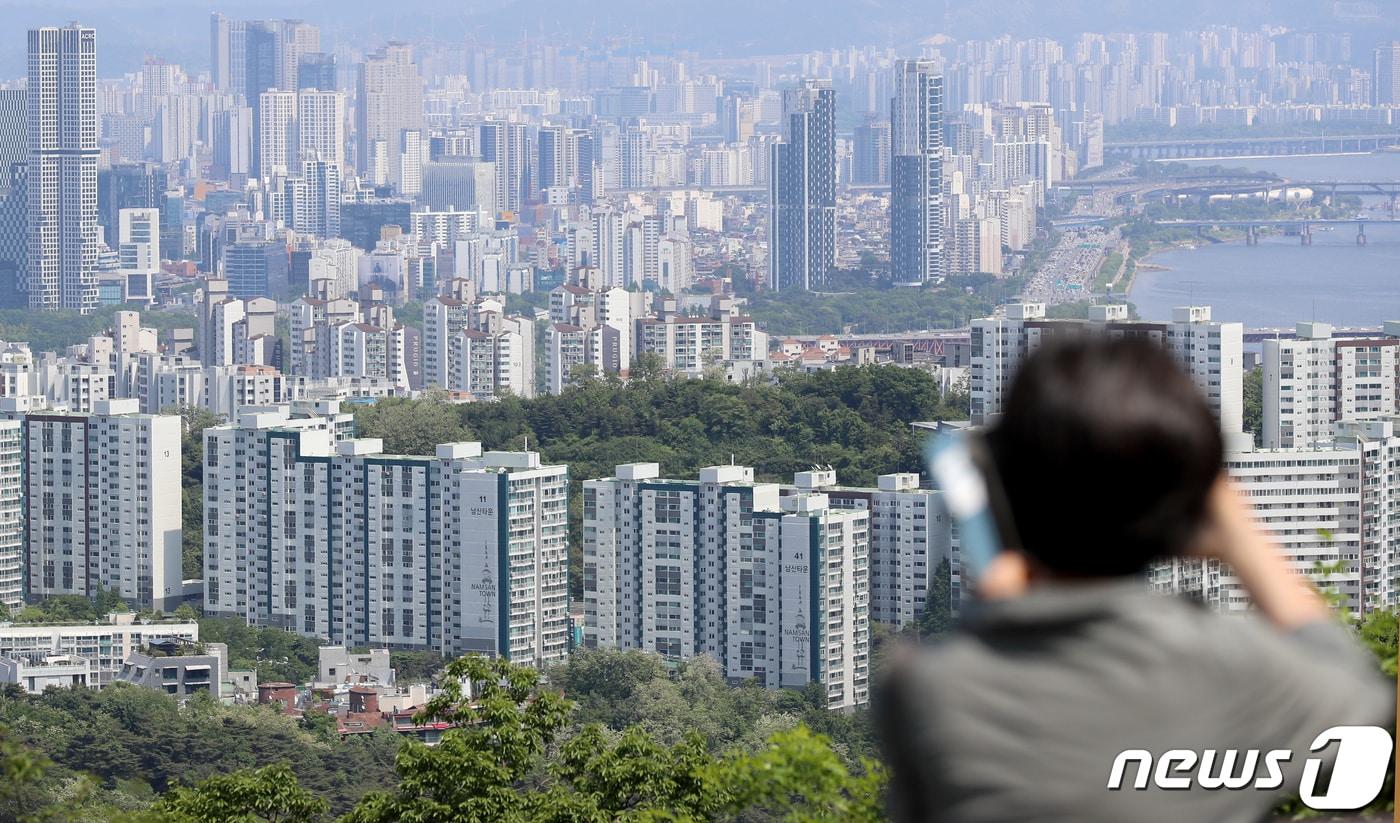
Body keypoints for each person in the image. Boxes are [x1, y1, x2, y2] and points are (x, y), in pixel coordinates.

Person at [877, 335, 1395, 823]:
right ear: (1191, 509)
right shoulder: (1236, 668)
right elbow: (1363, 715)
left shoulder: (929, 691)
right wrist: (1238, 532)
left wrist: (1007, 612)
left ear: (1003, 489)